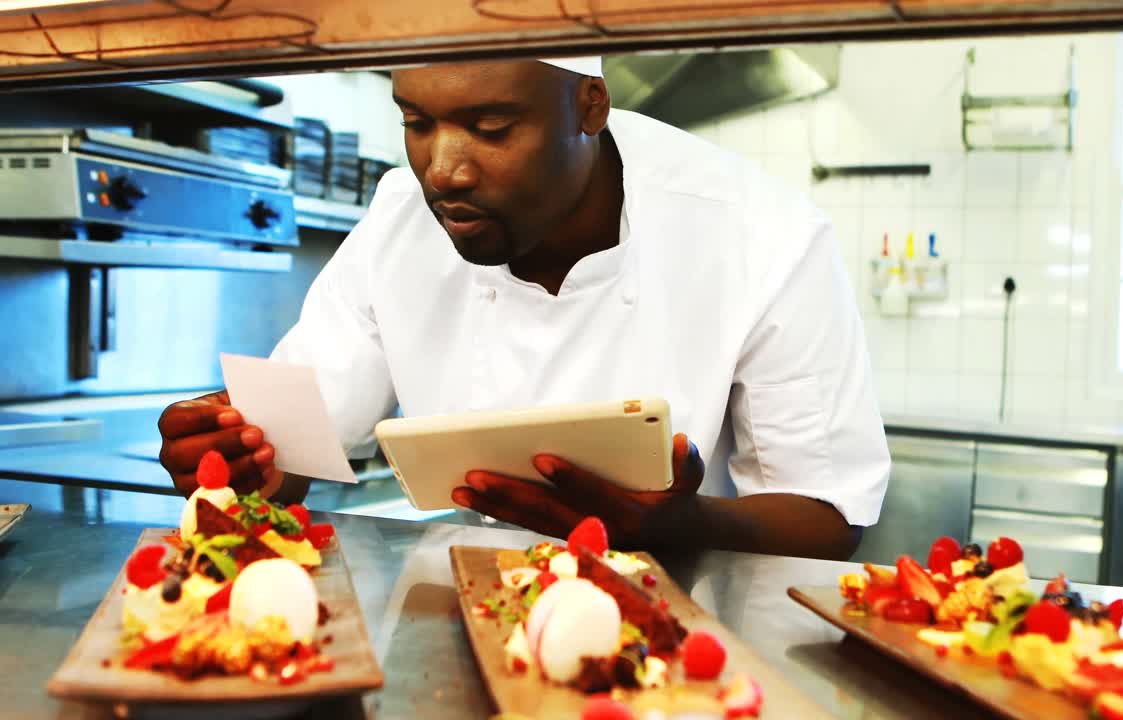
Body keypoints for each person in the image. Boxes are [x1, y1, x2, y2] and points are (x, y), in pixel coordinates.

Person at [158, 57, 890, 560]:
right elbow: (291, 452)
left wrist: (680, 525)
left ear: (590, 107)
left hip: (681, 637)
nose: (444, 169)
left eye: (492, 128)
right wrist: (234, 459)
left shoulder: (759, 232)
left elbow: (826, 517)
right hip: (461, 621)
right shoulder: (398, 222)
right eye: (416, 121)